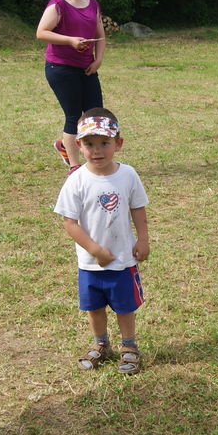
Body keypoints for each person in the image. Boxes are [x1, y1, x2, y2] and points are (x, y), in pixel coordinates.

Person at [53, 108, 149, 375]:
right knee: (94, 307)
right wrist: (95, 249)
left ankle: (129, 347)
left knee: (124, 307)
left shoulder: (128, 174)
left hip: (122, 259)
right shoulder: (76, 180)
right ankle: (101, 344)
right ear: (78, 145)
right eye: (89, 144)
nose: (97, 150)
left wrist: (143, 239)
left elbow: (138, 208)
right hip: (90, 263)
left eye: (104, 143)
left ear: (118, 143)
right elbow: (69, 222)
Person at [36, 0, 107, 174]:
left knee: (95, 115)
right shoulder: (58, 4)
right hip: (61, 68)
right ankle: (75, 167)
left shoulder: (93, 4)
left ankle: (89, 156)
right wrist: (70, 40)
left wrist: (98, 60)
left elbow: (101, 35)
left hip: (87, 68)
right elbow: (41, 32)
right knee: (73, 116)